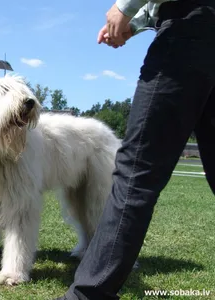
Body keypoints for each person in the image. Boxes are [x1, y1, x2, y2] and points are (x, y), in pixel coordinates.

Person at [56, 0, 215, 299]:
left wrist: (124, 8)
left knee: (136, 170)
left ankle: (89, 295)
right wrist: (137, 23)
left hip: (189, 30)